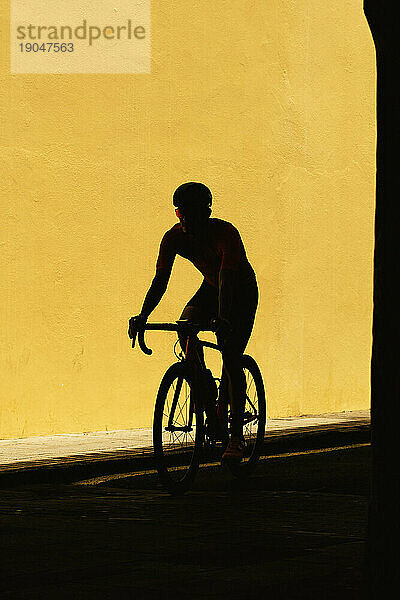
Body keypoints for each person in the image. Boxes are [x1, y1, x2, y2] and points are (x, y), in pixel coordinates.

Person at [128, 182, 259, 461]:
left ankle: (235, 438)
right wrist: (143, 315)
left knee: (231, 354)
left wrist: (223, 319)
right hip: (211, 287)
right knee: (184, 326)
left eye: (192, 213)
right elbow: (160, 281)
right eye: (180, 213)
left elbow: (227, 281)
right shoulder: (173, 238)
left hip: (240, 290)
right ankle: (206, 390)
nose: (185, 219)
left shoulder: (225, 233)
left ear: (207, 212)